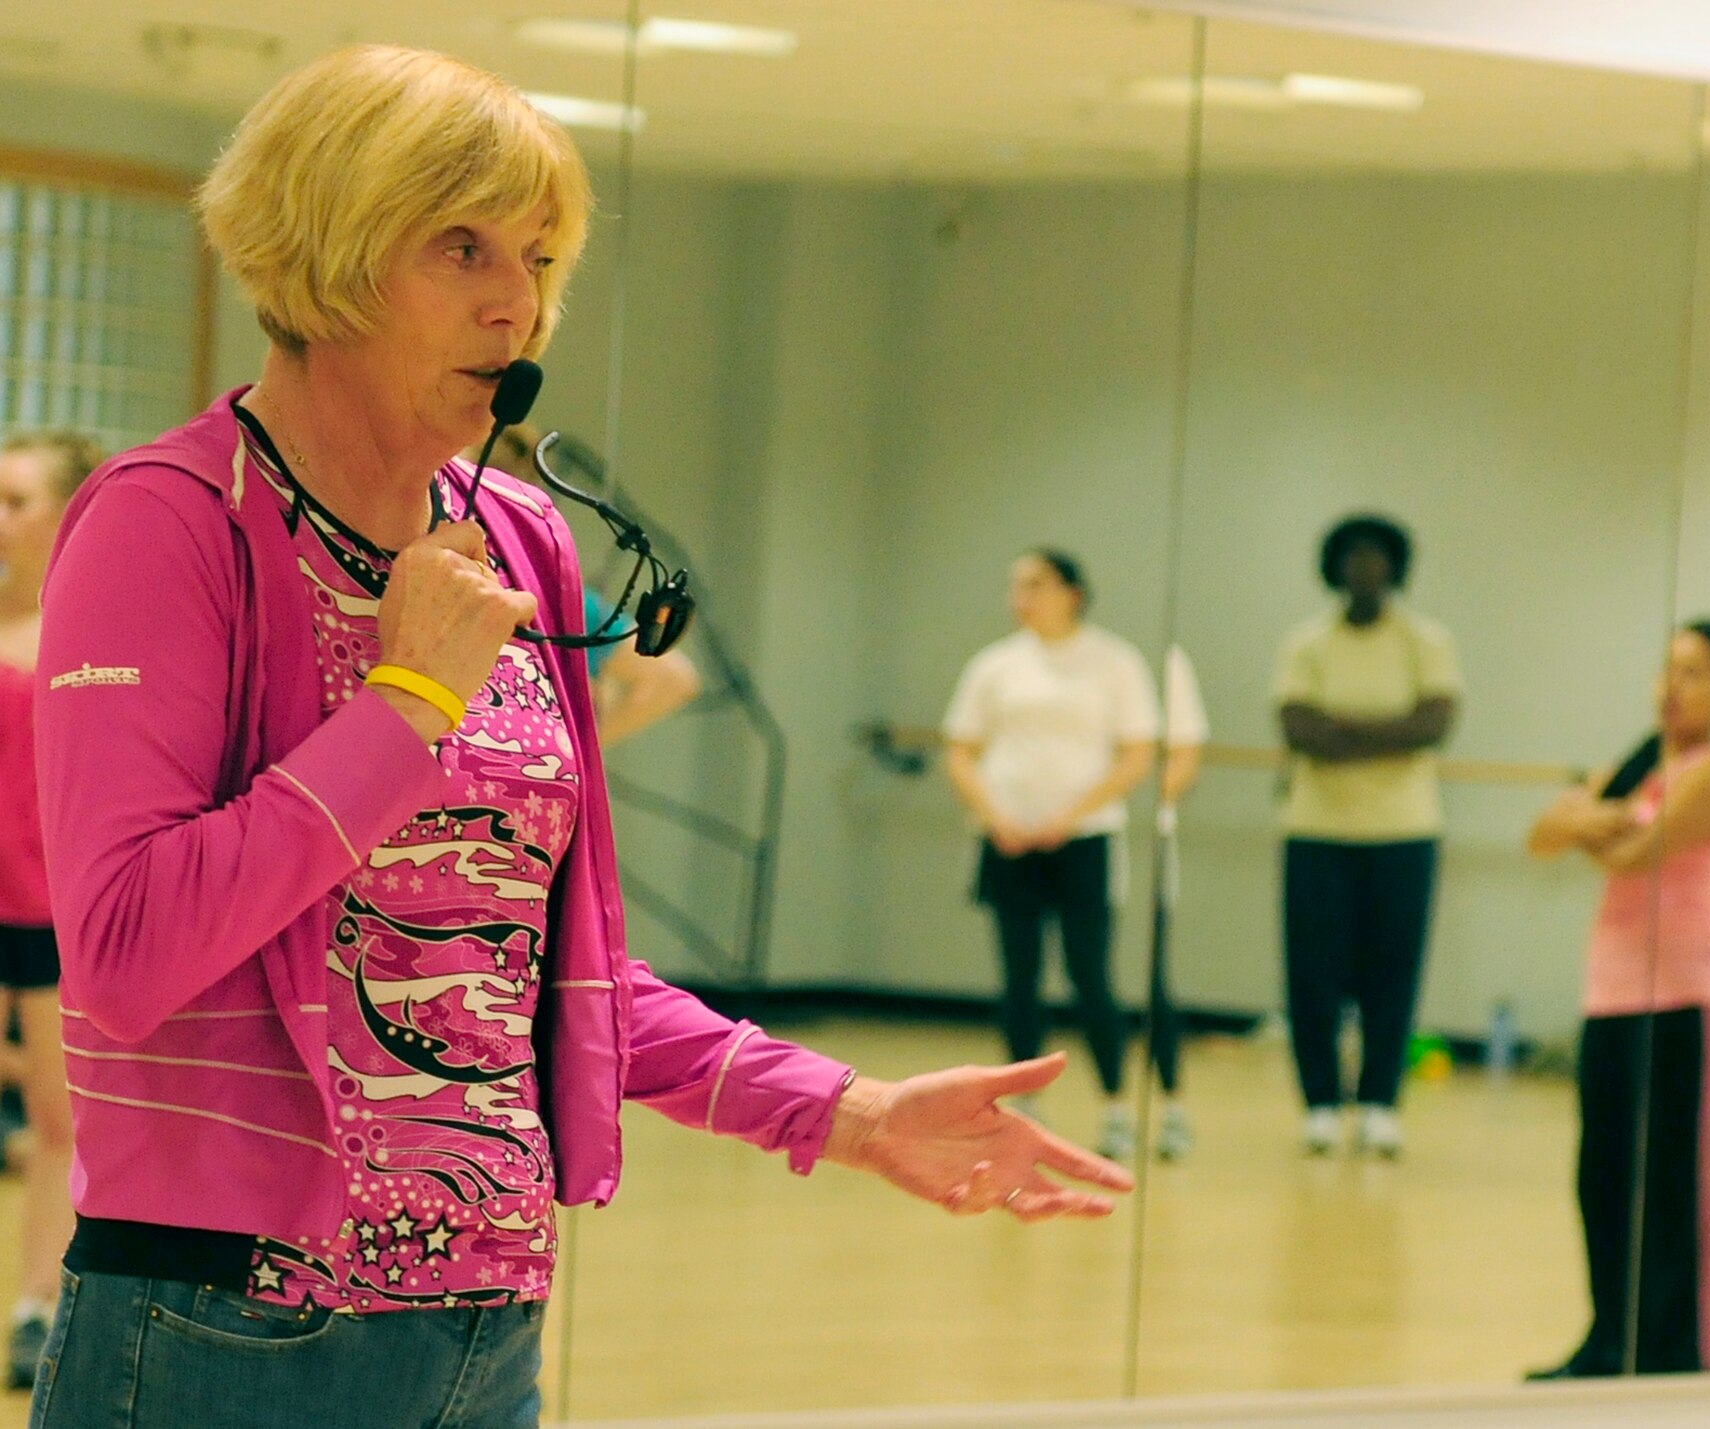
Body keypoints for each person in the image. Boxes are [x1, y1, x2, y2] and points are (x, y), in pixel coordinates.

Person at [27, 46, 1129, 1427]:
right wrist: (406, 706)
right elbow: (125, 952)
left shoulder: (519, 538)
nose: (517, 303)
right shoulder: (167, 520)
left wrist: (846, 1111)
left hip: (488, 1324)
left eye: (541, 257)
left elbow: (540, 968)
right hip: (229, 1322)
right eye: (464, 246)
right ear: (324, 252)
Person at [1526, 619, 1710, 1379]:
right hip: (1613, 1000)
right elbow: (1543, 834)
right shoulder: (1642, 767)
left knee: (1676, 1184)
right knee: (1604, 1177)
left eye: (1694, 673)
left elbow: (1632, 851)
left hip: (1690, 1001)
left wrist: (1593, 818)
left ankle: (1689, 1354)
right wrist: (1601, 816)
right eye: (1668, 669)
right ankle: (1610, 1342)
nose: (1672, 686)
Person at [944, 551, 1159, 1161]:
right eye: (1016, 585)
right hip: (1008, 840)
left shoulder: (1114, 662)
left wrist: (1071, 815)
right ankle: (1020, 1102)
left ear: (1072, 592)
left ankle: (1115, 1105)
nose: (1021, 596)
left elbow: (1137, 753)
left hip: (1083, 841)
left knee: (1090, 972)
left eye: (1035, 584)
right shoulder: (996, 665)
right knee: (1018, 974)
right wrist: (997, 817)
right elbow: (961, 750)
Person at [1274, 514, 1460, 1158]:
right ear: (1334, 566)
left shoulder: (1425, 641)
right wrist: (1387, 731)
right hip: (1317, 830)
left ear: (1396, 567)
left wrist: (1346, 732)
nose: (1365, 569)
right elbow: (1301, 729)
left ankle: (1381, 1102)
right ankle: (1321, 1103)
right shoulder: (1307, 642)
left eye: (1377, 557)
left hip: (1404, 831)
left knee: (1393, 970)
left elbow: (1433, 723)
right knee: (1313, 972)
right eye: (1352, 557)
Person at [0, 431, 100, 1389]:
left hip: (45, 907)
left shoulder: (88, 628)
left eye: (17, 499)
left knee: (56, 1119)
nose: (1, 520)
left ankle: (35, 1302)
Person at [478, 423, 700, 748]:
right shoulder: (556, 597)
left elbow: (673, 679)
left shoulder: (558, 600)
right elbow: (673, 679)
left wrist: (578, 748)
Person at [1148, 646, 1207, 1162]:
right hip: (1043, 840)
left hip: (1132, 841)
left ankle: (1170, 1107)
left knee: (1149, 979)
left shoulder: (1159, 661)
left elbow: (1185, 753)